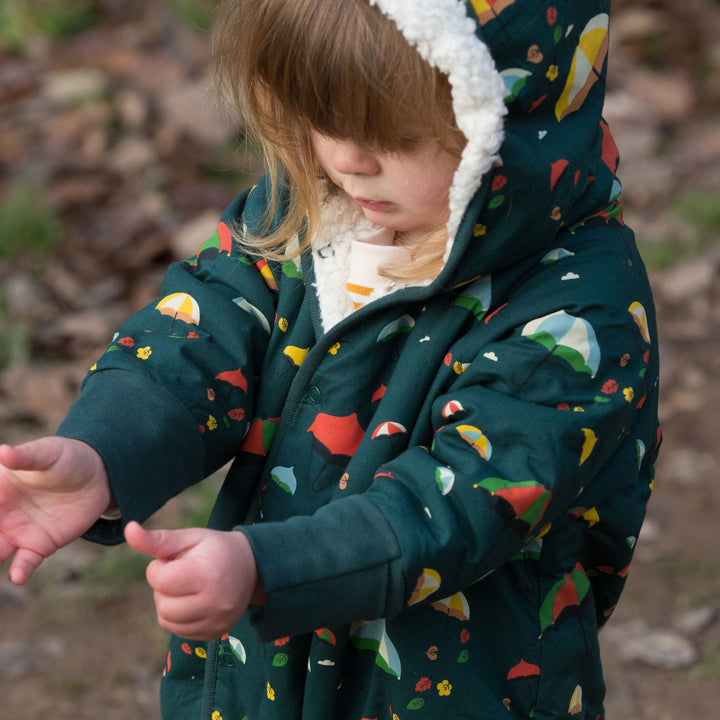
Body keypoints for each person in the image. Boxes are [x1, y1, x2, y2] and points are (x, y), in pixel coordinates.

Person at [0, 0, 661, 718]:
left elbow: (459, 504)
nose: (349, 159)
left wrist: (268, 569)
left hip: (462, 688)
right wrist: (103, 450)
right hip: (263, 673)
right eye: (326, 118)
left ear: (509, 120)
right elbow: (201, 339)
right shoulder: (313, 212)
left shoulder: (580, 313)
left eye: (395, 135)